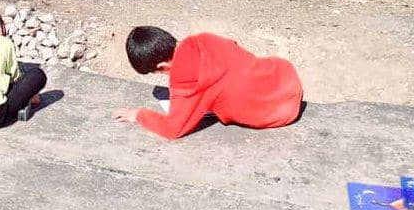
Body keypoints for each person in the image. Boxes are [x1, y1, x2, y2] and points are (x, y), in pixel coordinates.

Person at [113, 27, 303, 140]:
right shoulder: (204, 39)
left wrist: (138, 115)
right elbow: (232, 50)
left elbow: (173, 129)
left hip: (276, 113)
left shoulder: (182, 78)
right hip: (285, 79)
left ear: (162, 66)